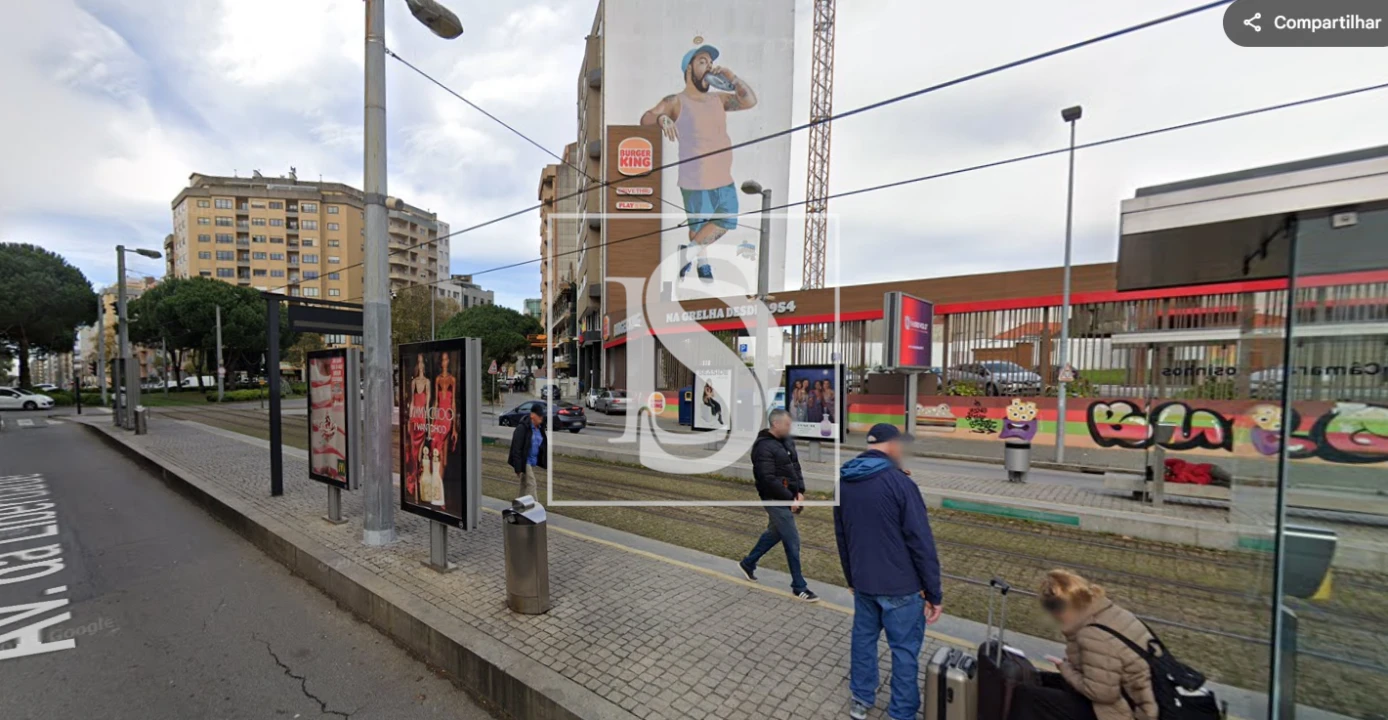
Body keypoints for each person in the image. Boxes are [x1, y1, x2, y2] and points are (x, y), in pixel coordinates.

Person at [835, 423, 942, 720]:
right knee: (904, 651)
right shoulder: (901, 484)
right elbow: (921, 542)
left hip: (864, 582)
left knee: (863, 641)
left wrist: (852, 578)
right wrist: (933, 593)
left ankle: (861, 700)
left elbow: (842, 537)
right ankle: (902, 712)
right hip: (902, 587)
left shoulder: (844, 480)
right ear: (892, 445)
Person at [640, 42, 759, 283]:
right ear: (689, 69)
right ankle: (700, 262)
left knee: (724, 221)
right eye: (702, 62)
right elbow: (646, 118)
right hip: (696, 178)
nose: (709, 67)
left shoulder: (719, 99)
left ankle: (691, 255)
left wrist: (732, 77)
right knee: (702, 226)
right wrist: (663, 118)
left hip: (723, 177)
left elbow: (749, 101)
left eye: (710, 62)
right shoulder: (676, 100)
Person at [1013, 570, 1158, 720]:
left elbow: (1102, 694)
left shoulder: (1092, 634)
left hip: (1124, 713)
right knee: (1044, 683)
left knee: (1028, 696)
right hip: (1146, 702)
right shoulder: (1112, 612)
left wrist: (1065, 669)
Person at [738, 409, 817, 602]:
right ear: (776, 424)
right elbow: (767, 479)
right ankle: (799, 586)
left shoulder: (787, 442)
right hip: (774, 499)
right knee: (792, 540)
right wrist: (790, 499)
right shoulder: (763, 447)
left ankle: (748, 563)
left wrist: (800, 492)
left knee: (774, 533)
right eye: (787, 424)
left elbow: (796, 469)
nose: (790, 427)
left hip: (789, 496)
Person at [507, 406, 547, 500]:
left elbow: (542, 445)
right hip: (525, 461)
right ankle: (535, 507)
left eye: (542, 416)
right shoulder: (523, 428)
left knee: (524, 485)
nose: (541, 418)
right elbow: (517, 448)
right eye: (539, 416)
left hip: (532, 461)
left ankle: (519, 506)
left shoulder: (540, 428)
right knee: (531, 484)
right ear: (532, 415)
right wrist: (517, 468)